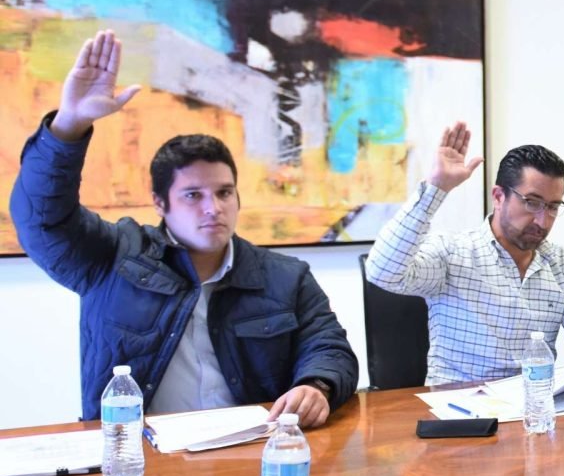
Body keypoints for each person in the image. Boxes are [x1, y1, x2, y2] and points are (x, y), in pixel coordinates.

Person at [10, 30, 358, 426]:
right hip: (141, 450)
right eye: (193, 195)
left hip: (251, 447)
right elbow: (42, 219)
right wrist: (70, 124)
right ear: (160, 203)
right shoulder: (113, 258)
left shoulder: (286, 277)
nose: (214, 208)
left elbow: (329, 347)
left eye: (224, 192)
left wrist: (317, 385)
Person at [364, 123, 564, 390]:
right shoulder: (453, 252)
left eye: (553, 207)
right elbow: (381, 272)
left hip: (534, 402)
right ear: (498, 197)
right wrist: (436, 189)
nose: (542, 221)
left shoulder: (563, 264)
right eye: (532, 203)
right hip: (459, 403)